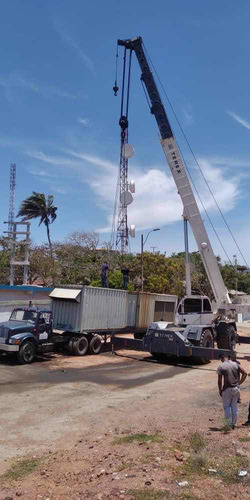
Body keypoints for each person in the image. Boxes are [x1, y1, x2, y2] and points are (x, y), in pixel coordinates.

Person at [217, 354, 247, 429]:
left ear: (222, 359)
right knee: (234, 406)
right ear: (229, 358)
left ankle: (228, 424)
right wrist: (239, 383)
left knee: (227, 407)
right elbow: (245, 373)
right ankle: (234, 424)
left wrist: (220, 390)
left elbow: (219, 381)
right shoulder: (236, 364)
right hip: (236, 389)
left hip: (227, 389)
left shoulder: (221, 366)